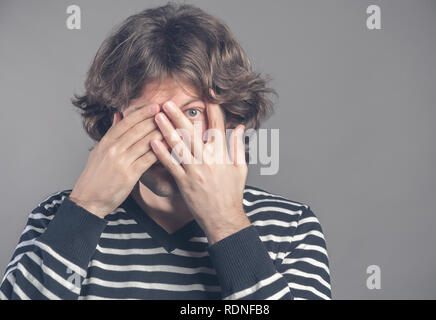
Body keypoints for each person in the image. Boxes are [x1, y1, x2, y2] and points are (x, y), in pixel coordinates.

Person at [0, 2, 331, 300]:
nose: (170, 138)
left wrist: (226, 224)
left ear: (228, 116)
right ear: (116, 121)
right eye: (147, 116)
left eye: (190, 113)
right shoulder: (55, 217)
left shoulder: (292, 228)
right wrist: (87, 207)